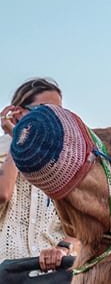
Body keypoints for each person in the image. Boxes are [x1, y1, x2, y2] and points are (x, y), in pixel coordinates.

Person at [0, 78, 79, 272]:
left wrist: (63, 248)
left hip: (52, 275)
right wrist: (18, 143)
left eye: (59, 114)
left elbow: (80, 227)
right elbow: (2, 194)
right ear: (17, 113)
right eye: (45, 111)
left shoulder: (65, 164)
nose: (54, 120)